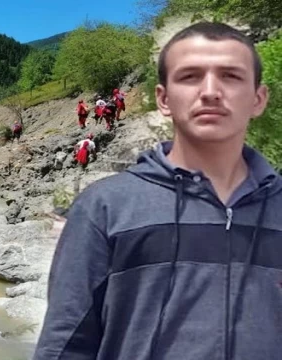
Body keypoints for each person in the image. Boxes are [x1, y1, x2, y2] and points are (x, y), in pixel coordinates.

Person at [33, 21, 277, 360]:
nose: (210, 91)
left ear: (258, 98)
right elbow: (65, 344)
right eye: (190, 76)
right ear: (163, 99)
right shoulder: (104, 208)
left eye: (231, 76)